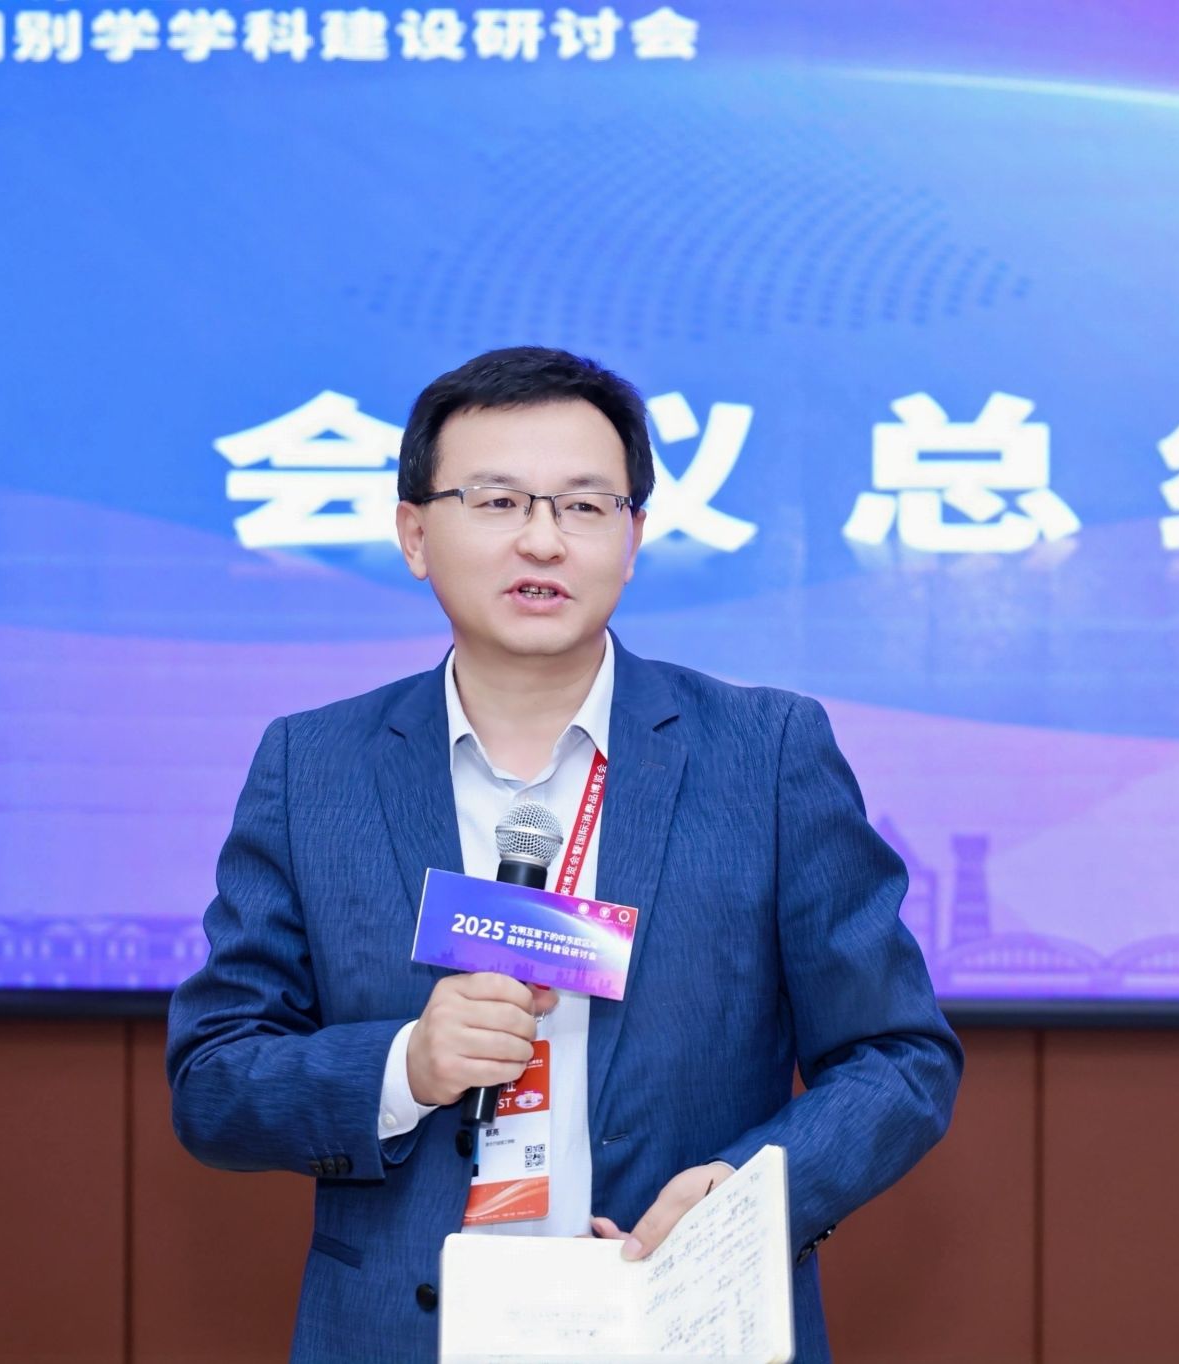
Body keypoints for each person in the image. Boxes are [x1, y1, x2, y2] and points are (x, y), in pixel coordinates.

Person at [167, 345, 963, 1363]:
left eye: (585, 506)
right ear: (414, 533)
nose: (541, 539)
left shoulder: (763, 754)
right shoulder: (313, 767)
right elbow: (216, 1079)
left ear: (633, 539)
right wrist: (405, 1064)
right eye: (496, 501)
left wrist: (747, 1195)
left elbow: (897, 1055)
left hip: (677, 1323)